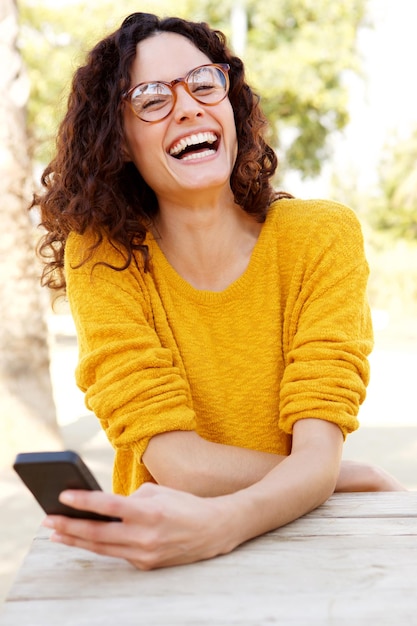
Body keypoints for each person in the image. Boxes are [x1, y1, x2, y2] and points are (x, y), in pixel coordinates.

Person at [33, 12, 405, 570]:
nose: (188, 106)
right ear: (121, 141)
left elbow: (316, 450)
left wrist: (229, 521)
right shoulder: (103, 255)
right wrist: (340, 478)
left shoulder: (321, 237)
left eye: (204, 83)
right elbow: (181, 465)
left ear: (231, 105)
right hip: (165, 560)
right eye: (152, 99)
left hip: (308, 551)